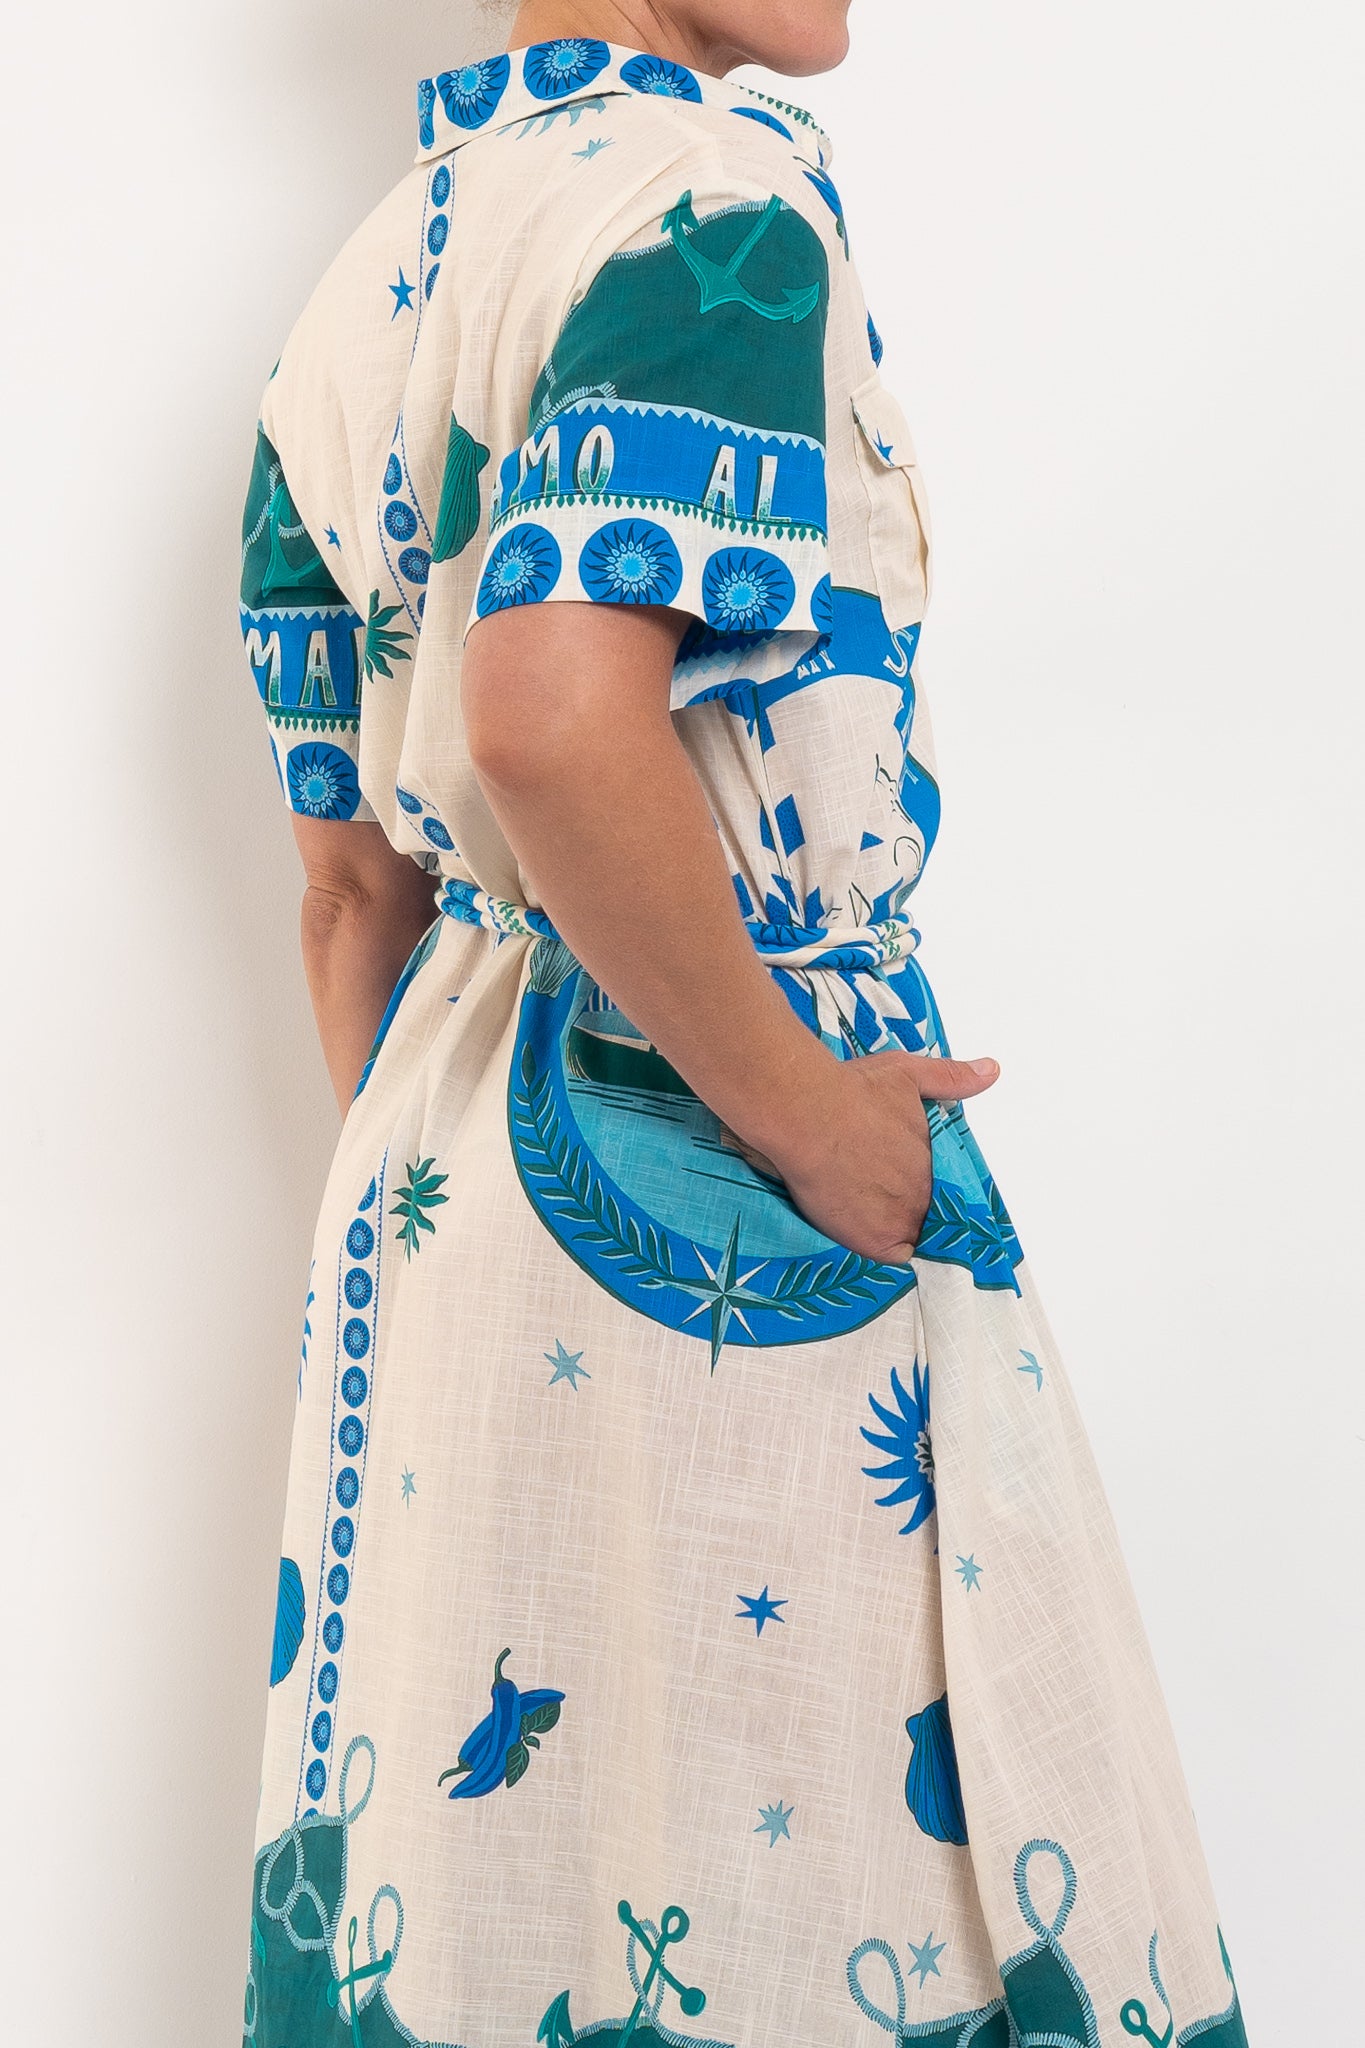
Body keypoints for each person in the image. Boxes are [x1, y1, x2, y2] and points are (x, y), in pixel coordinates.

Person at [237, 4, 1251, 2044]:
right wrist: (798, 1107)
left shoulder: (361, 286)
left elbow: (351, 891)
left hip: (431, 1193)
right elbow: (546, 715)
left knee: (507, 1897)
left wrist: (453, 1225)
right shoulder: (711, 210)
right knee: (853, 1886)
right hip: (728, 1175)